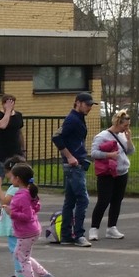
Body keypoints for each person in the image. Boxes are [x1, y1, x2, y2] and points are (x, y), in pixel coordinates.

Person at [4, 164, 55, 277]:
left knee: (23, 259)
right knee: (20, 255)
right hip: (31, 230)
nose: (10, 179)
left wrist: (11, 213)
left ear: (18, 179)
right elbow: (36, 208)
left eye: (12, 176)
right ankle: (44, 275)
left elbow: (26, 216)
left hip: (26, 232)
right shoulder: (29, 192)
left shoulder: (21, 195)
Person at [50, 91, 95, 247]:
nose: (89, 107)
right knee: (83, 199)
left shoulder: (79, 118)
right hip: (74, 165)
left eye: (91, 105)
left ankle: (66, 235)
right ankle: (78, 234)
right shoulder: (72, 119)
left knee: (70, 200)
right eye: (87, 104)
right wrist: (69, 156)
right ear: (78, 103)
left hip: (77, 163)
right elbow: (56, 137)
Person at [88, 108, 134, 240]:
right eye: (125, 125)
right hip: (107, 173)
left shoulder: (123, 135)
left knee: (117, 201)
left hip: (122, 172)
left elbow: (130, 151)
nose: (126, 128)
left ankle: (112, 228)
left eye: (128, 125)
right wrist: (109, 155)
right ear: (117, 123)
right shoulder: (102, 136)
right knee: (103, 201)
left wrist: (129, 139)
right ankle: (94, 229)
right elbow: (94, 153)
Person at [0, 156, 30, 277]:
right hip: (17, 224)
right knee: (18, 250)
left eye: (7, 173)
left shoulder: (14, 189)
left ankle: (21, 276)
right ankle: (19, 274)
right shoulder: (25, 187)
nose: (6, 176)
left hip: (14, 224)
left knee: (16, 250)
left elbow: (4, 201)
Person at [0, 94, 25, 217]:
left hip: (16, 152)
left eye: (12, 103)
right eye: (8, 103)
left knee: (19, 178)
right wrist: (8, 112)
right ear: (3, 104)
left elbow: (19, 132)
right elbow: (2, 125)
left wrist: (23, 149)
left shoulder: (18, 116)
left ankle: (16, 202)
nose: (11, 105)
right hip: (2, 153)